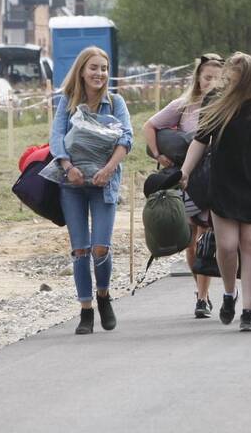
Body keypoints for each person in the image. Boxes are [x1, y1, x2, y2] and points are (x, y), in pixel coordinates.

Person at [180, 53, 251, 333]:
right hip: (223, 182)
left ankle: (248, 310)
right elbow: (200, 140)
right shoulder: (215, 100)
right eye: (232, 71)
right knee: (226, 246)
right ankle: (229, 293)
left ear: (248, 76)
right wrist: (186, 171)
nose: (233, 76)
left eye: (239, 72)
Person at [49, 46, 133, 335]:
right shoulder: (67, 102)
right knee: (80, 250)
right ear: (82, 71)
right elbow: (56, 136)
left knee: (100, 247)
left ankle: (104, 296)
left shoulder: (116, 102)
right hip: (72, 184)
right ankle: (86, 310)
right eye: (94, 68)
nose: (99, 74)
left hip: (103, 184)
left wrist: (108, 169)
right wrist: (68, 167)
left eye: (104, 68)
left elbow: (126, 138)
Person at [141, 53, 223, 319]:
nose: (212, 82)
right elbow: (150, 125)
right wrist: (158, 154)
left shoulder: (226, 104)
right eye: (207, 77)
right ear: (198, 78)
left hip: (215, 177)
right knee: (191, 241)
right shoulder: (184, 105)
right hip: (187, 178)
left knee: (210, 236)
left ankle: (203, 295)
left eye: (217, 78)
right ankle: (202, 294)